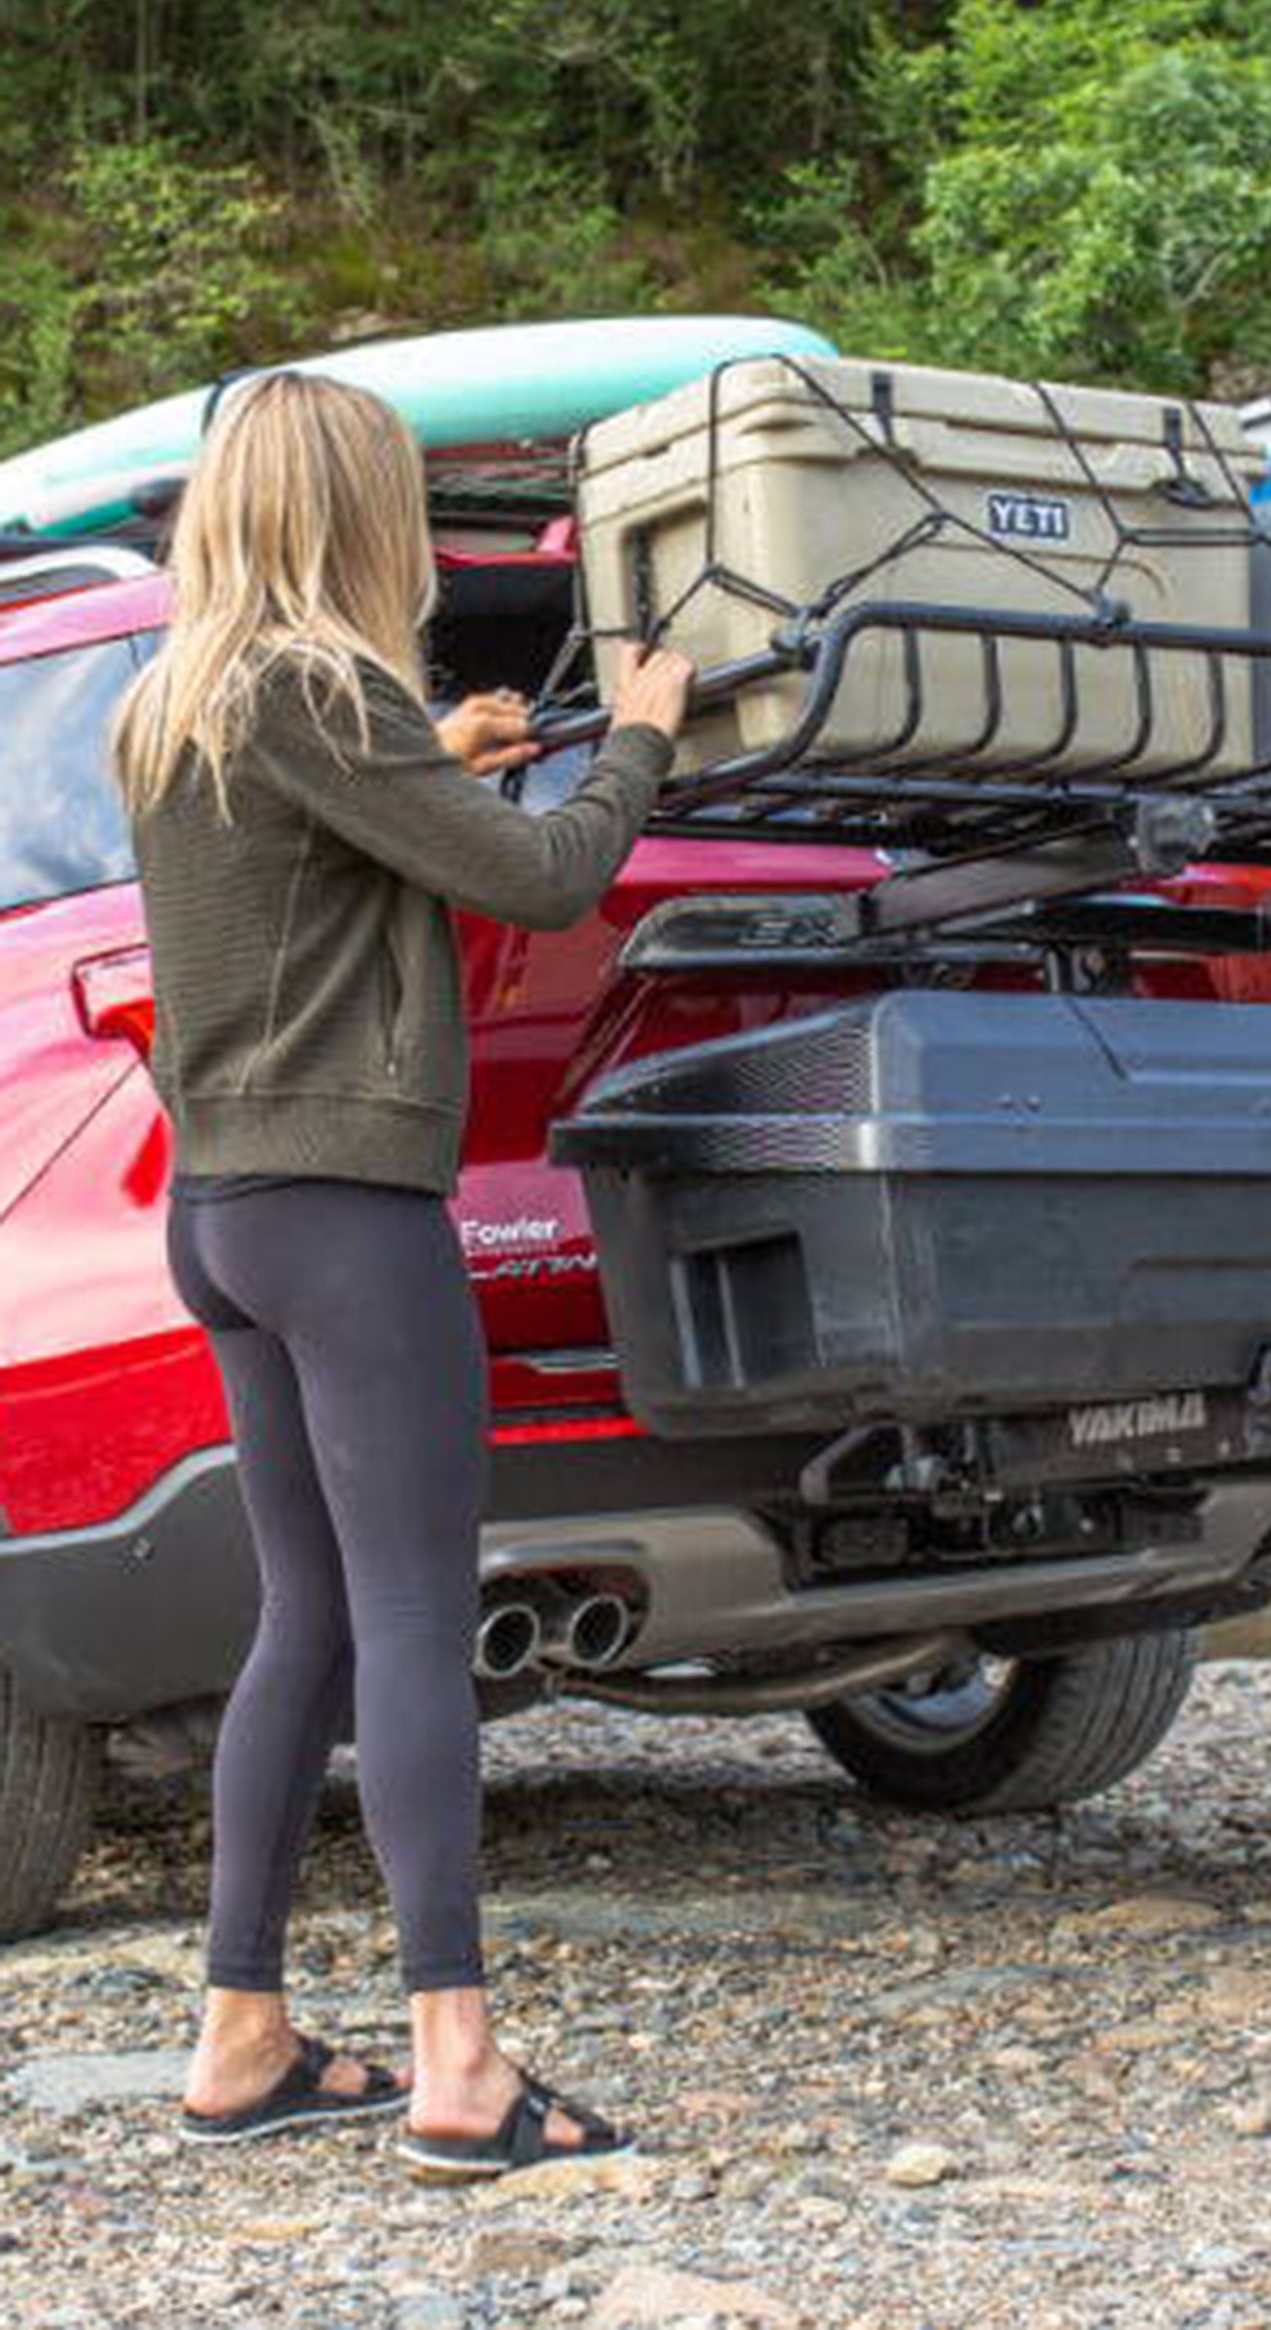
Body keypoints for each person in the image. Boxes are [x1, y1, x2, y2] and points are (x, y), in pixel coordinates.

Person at [113, 370, 697, 2169]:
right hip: (347, 1211)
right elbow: (541, 884)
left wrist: (431, 761)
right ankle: (460, 2068)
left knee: (308, 1616)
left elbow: (300, 864)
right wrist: (645, 733)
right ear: (354, 514)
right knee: (418, 1617)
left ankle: (244, 2038)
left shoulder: (177, 702)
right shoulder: (324, 684)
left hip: (222, 1215)